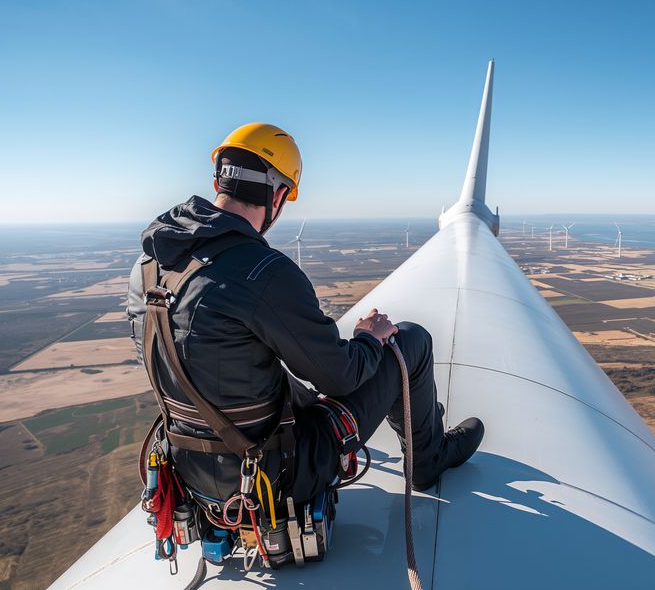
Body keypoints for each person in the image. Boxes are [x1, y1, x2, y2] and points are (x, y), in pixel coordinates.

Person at [126, 122, 484, 509]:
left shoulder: (146, 268)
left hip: (188, 471)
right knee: (411, 339)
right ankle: (429, 460)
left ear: (220, 181)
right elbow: (341, 377)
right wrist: (369, 338)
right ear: (278, 195)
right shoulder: (262, 271)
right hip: (274, 476)